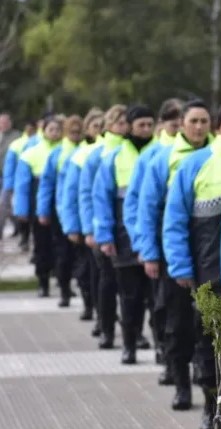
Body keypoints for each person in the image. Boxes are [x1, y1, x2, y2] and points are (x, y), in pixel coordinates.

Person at [163, 101, 221, 429]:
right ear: (219, 127)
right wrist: (181, 266)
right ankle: (213, 405)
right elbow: (174, 220)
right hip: (207, 271)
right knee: (210, 345)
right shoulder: (196, 164)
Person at [137, 99, 214, 411]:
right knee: (177, 324)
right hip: (175, 256)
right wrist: (150, 254)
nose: (198, 127)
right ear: (182, 124)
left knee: (207, 328)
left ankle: (211, 393)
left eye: (204, 121)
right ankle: (181, 384)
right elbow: (147, 208)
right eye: (193, 121)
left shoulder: (219, 156)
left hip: (211, 256)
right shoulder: (162, 158)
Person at [93, 105, 157, 365]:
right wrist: (104, 236)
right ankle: (129, 345)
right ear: (130, 126)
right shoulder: (114, 157)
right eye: (140, 125)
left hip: (152, 237)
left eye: (149, 124)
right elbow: (101, 199)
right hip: (123, 238)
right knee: (130, 297)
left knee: (155, 298)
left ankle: (160, 347)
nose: (145, 130)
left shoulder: (159, 154)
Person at [123, 97, 182, 375]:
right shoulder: (153, 157)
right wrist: (144, 245)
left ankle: (173, 356)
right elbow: (139, 204)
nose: (179, 125)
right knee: (157, 305)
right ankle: (163, 353)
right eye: (174, 121)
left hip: (187, 246)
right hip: (157, 243)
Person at [80, 105, 128, 347]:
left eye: (125, 122)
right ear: (110, 126)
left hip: (125, 227)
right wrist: (90, 229)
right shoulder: (98, 154)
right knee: (107, 279)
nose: (124, 127)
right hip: (103, 227)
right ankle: (106, 326)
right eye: (119, 123)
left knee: (129, 285)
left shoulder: (133, 152)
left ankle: (133, 331)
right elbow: (88, 193)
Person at [61, 108, 105, 321]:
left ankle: (104, 314)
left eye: (102, 126)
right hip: (84, 222)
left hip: (103, 223)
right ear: (88, 129)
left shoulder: (108, 152)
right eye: (95, 126)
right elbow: (71, 194)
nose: (99, 130)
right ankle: (90, 306)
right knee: (87, 270)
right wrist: (73, 226)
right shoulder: (80, 156)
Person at [13, 116, 64, 297]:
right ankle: (43, 282)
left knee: (61, 245)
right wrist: (22, 210)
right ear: (44, 131)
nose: (55, 133)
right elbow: (22, 186)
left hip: (61, 204)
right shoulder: (31, 153)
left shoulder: (65, 151)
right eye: (51, 129)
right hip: (39, 204)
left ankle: (62, 280)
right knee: (42, 245)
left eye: (58, 130)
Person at [37, 115, 83, 307]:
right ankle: (64, 290)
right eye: (71, 131)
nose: (75, 135)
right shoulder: (57, 154)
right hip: (61, 210)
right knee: (63, 252)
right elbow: (46, 185)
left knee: (79, 256)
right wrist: (43, 211)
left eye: (78, 131)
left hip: (81, 209)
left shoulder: (85, 150)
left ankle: (82, 290)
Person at [1, 119, 36, 247]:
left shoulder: (20, 141)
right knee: (15, 209)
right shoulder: (17, 143)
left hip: (24, 181)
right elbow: (9, 165)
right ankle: (22, 235)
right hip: (17, 181)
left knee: (19, 209)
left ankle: (24, 235)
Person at [0, 113, 21, 239]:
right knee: (6, 205)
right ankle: (18, 224)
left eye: (5, 122)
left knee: (5, 203)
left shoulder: (16, 137)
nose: (3, 125)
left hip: (10, 175)